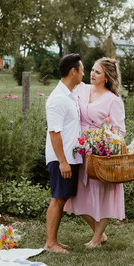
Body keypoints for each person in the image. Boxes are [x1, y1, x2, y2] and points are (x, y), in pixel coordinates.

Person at [64, 57, 126, 248]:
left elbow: (119, 131)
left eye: (97, 72)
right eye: (91, 70)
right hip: (78, 149)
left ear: (106, 77)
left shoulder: (113, 100)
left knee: (103, 194)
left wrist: (102, 140)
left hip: (99, 153)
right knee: (75, 194)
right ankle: (99, 233)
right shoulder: (81, 89)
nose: (92, 74)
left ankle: (97, 239)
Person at [44, 53, 84, 254]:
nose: (84, 73)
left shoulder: (71, 94)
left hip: (70, 156)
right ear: (73, 71)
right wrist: (62, 161)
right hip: (61, 158)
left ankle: (54, 241)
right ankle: (50, 243)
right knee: (57, 199)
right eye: (82, 69)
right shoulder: (57, 99)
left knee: (62, 198)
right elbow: (54, 131)